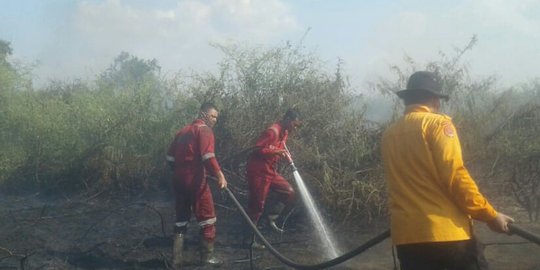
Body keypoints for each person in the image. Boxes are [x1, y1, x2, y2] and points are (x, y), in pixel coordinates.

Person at [380, 71, 514, 270]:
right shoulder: (437, 124)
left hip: (407, 240)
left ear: (407, 99)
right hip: (447, 237)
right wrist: (490, 215)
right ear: (435, 99)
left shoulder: (389, 134)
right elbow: (455, 176)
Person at [166, 102, 227, 268]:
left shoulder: (182, 131)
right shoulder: (204, 130)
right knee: (208, 218)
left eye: (216, 117)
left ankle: (176, 260)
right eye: (213, 116)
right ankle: (207, 259)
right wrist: (219, 174)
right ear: (203, 114)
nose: (215, 120)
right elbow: (208, 156)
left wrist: (180, 172)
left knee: (181, 219)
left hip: (178, 181)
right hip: (195, 181)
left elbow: (170, 158)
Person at [245, 109, 302, 243]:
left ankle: (269, 220)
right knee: (257, 206)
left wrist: (286, 155)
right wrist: (276, 151)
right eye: (295, 124)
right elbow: (257, 149)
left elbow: (282, 145)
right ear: (288, 119)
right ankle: (249, 240)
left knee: (288, 192)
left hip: (270, 170)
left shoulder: (285, 132)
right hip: (258, 171)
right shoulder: (273, 131)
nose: (296, 128)